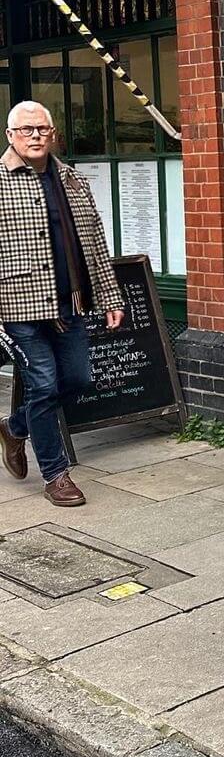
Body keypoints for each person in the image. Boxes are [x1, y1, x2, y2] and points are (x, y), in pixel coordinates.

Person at [0, 102, 124, 506]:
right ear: (10, 136)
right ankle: (55, 475)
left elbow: (95, 244)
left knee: (78, 380)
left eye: (42, 129)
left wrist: (111, 296)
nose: (35, 136)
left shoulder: (73, 180)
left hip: (69, 303)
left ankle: (14, 428)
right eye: (26, 129)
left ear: (53, 134)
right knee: (43, 384)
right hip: (17, 306)